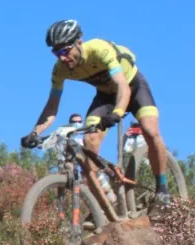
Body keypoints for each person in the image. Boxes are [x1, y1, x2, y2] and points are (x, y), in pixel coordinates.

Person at [21, 19, 173, 205]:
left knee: (150, 131)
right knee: (89, 142)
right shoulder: (60, 70)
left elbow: (123, 87)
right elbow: (52, 105)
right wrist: (35, 132)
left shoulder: (100, 50)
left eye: (65, 50)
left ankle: (162, 188)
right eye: (56, 52)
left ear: (79, 42)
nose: (61, 57)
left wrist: (117, 113)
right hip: (106, 96)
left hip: (133, 87)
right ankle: (107, 206)